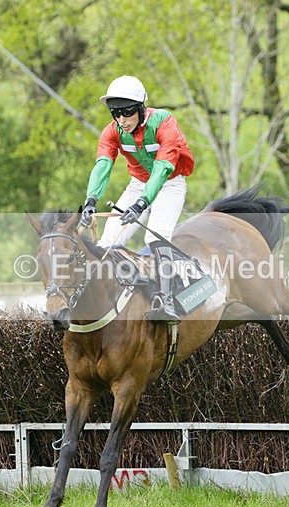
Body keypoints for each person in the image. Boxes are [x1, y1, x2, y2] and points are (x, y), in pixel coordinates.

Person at [80, 75, 194, 322]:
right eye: (116, 114)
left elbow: (163, 168)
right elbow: (103, 165)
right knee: (107, 241)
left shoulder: (164, 122)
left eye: (127, 112)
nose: (122, 120)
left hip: (169, 183)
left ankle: (166, 302)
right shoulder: (112, 132)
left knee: (154, 235)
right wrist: (91, 200)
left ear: (141, 108)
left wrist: (142, 203)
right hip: (138, 184)